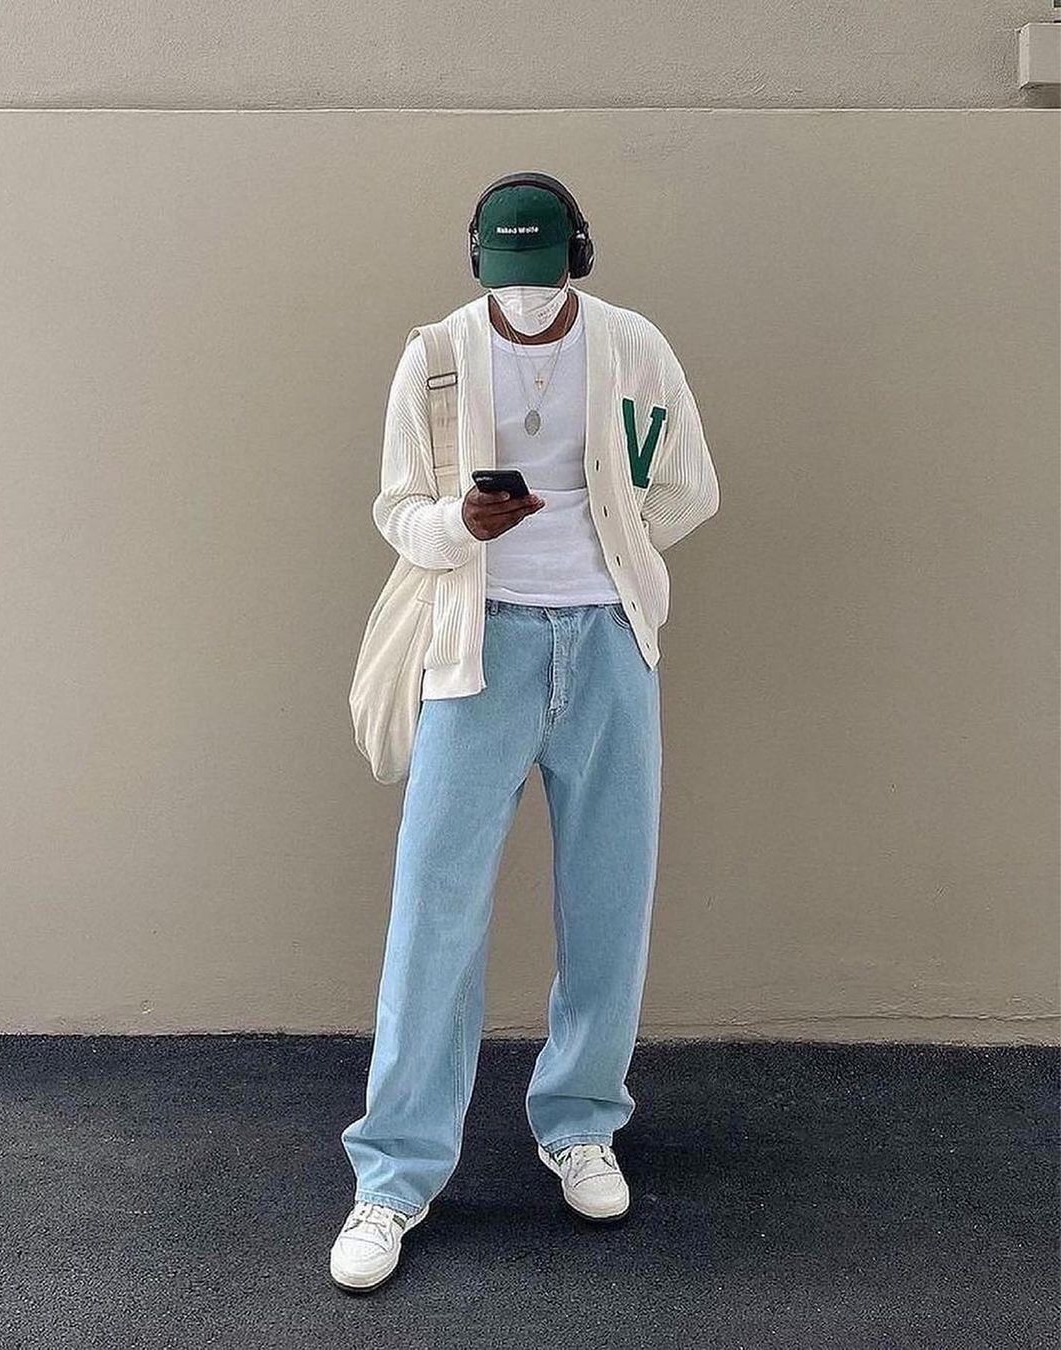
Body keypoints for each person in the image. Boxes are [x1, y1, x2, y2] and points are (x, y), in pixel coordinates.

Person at [331, 172, 719, 1293]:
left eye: (545, 274)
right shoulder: (437, 356)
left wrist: (617, 539)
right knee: (434, 914)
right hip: (476, 649)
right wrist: (462, 524)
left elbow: (690, 484)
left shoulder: (633, 346)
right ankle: (393, 1176)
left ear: (578, 259)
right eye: (509, 277)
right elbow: (395, 508)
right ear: (478, 266)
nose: (529, 297)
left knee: (609, 902)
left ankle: (582, 1124)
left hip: (608, 645)